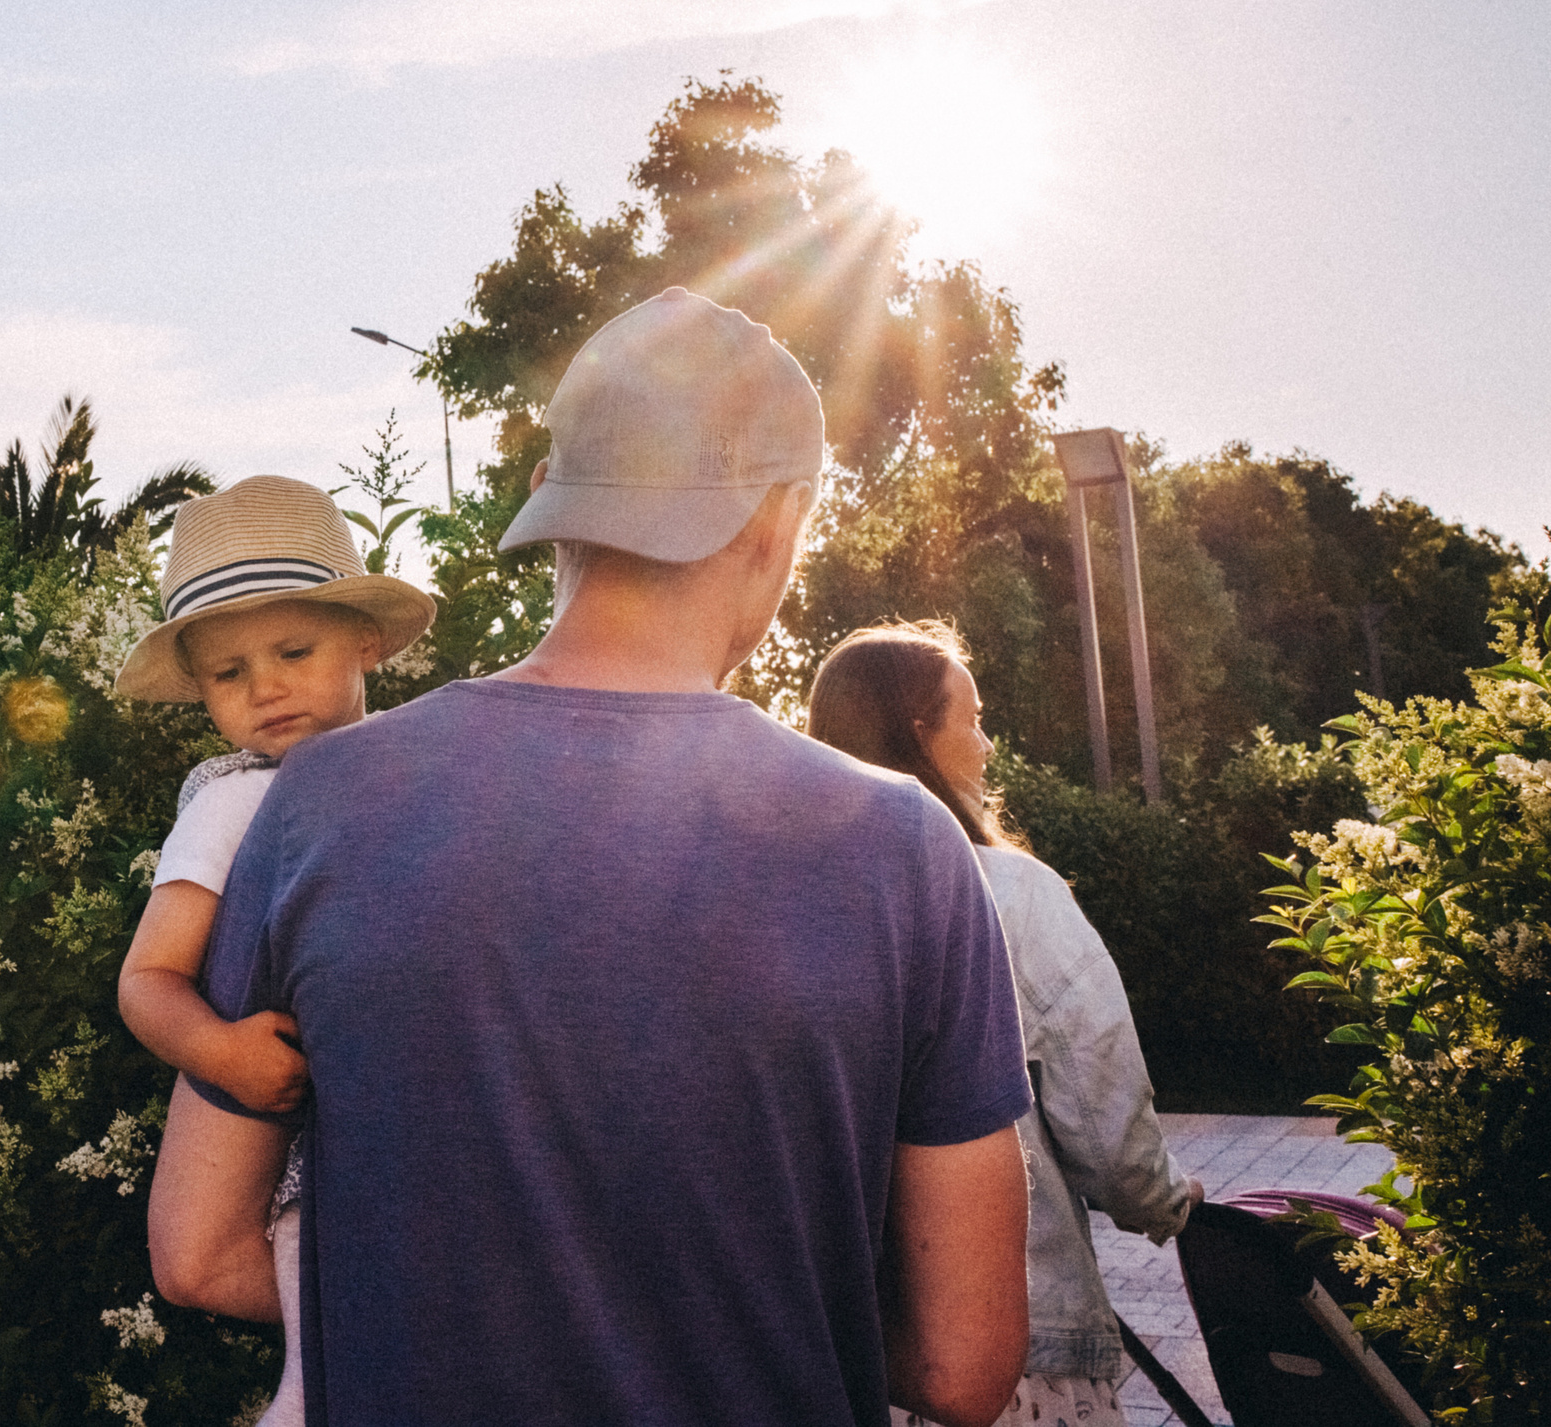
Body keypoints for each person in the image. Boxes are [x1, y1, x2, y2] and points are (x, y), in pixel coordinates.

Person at [148, 288, 1033, 1427]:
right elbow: (966, 1366)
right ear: (780, 520)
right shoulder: (902, 847)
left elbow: (195, 1251)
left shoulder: (316, 804)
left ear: (544, 502)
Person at [807, 622, 1202, 1427]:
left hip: (841, 1356)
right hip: (1016, 1363)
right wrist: (1165, 1201)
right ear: (920, 733)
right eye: (973, 718)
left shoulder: (791, 900)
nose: (987, 744)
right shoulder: (1013, 895)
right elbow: (1104, 1114)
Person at [114, 473, 436, 1427]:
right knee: (324, 1380)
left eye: (293, 649)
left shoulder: (414, 770)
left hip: (406, 1126)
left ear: (364, 639)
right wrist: (222, 1053)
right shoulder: (234, 801)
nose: (265, 686)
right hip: (300, 1147)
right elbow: (146, 978)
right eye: (228, 672)